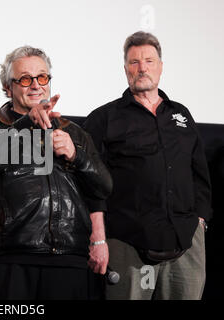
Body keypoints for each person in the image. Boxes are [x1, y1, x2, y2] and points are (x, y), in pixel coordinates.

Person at [0, 45, 113, 300]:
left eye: (42, 77)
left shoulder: (76, 133)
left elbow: (103, 187)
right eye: (25, 79)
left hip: (68, 258)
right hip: (10, 258)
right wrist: (27, 123)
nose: (35, 85)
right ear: (8, 87)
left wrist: (76, 155)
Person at [83, 31, 212, 300]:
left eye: (149, 61)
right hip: (127, 243)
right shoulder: (104, 118)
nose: (142, 68)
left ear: (161, 67)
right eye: (134, 62)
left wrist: (199, 220)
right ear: (125, 69)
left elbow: (199, 172)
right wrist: (98, 238)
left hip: (186, 242)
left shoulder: (181, 115)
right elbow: (89, 182)